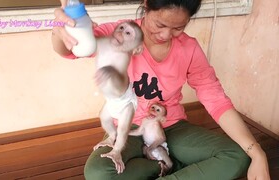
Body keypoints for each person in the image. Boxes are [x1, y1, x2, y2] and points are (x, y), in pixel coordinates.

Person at [51, 0, 271, 179]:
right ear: (146, 5)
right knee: (99, 173)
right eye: (160, 24)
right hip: (126, 129)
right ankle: (162, 166)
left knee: (237, 156)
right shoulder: (120, 34)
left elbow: (216, 98)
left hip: (171, 127)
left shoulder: (189, 48)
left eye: (178, 27)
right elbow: (70, 50)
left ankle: (164, 164)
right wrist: (63, 29)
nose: (166, 35)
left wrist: (257, 152)